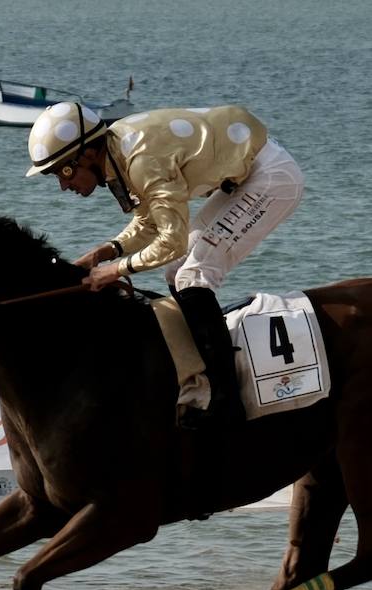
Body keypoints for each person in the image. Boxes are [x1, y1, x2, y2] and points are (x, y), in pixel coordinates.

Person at [25, 102, 304, 427]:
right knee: (178, 271)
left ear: (87, 154)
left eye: (63, 171)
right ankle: (206, 377)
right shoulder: (118, 151)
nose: (63, 185)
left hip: (270, 177)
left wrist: (114, 270)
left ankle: (227, 400)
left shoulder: (141, 159)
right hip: (247, 174)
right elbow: (150, 222)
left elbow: (170, 241)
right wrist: (107, 251)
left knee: (193, 276)